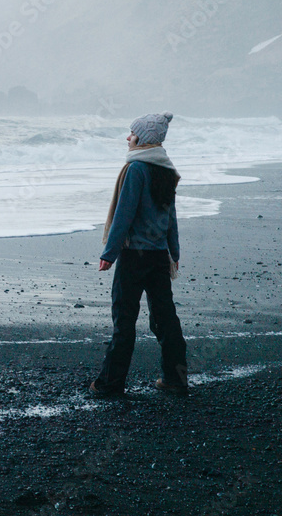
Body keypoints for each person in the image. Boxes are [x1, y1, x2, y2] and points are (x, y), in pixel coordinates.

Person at [90, 112, 189, 397]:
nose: (128, 137)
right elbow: (170, 217)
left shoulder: (135, 169)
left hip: (133, 256)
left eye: (132, 133)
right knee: (165, 319)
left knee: (124, 320)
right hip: (158, 256)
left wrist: (109, 253)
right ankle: (175, 379)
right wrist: (174, 251)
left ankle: (110, 384)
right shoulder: (166, 170)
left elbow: (124, 214)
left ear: (143, 139)